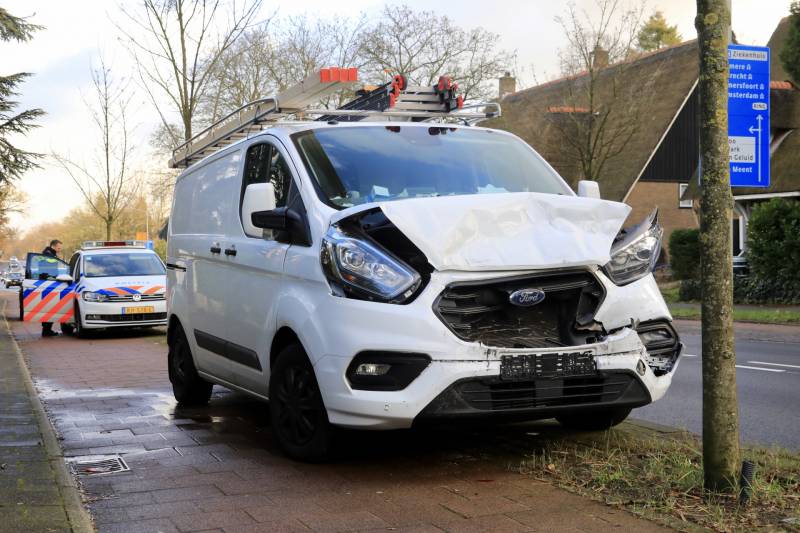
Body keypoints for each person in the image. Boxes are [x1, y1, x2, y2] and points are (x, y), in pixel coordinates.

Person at [41, 239, 63, 337]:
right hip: (49, 283)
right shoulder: (49, 255)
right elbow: (49, 270)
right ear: (53, 246)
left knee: (49, 307)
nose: (60, 249)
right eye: (58, 247)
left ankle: (47, 330)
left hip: (48, 283)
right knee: (50, 307)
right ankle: (46, 330)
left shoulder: (48, 254)